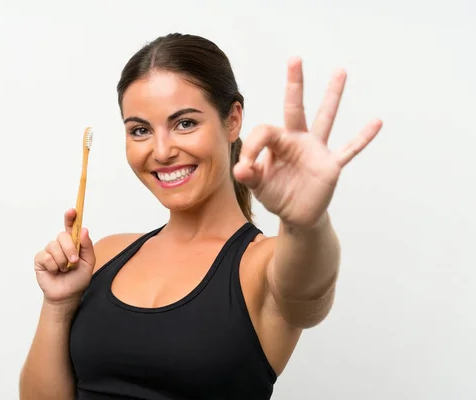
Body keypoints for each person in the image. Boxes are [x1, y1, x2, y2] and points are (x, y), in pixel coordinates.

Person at [19, 33, 382, 399]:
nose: (161, 151)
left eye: (185, 123)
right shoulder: (104, 256)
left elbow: (309, 294)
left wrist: (306, 222)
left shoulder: (261, 265)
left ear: (233, 120)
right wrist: (58, 304)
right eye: (141, 130)